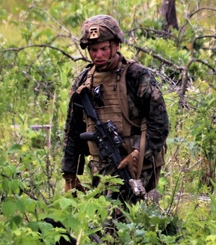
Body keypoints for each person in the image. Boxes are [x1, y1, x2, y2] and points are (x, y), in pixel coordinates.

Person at [61, 15, 169, 202]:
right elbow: (73, 130)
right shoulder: (84, 81)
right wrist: (70, 173)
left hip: (138, 164)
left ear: (116, 46)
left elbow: (160, 123)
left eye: (103, 49)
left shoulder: (136, 76)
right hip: (101, 165)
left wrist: (138, 154)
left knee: (120, 214)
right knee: (102, 214)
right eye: (93, 50)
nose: (98, 55)